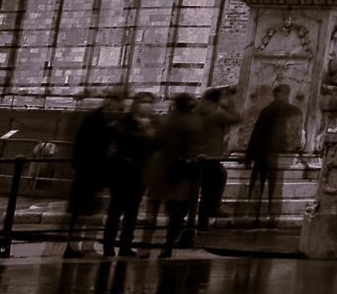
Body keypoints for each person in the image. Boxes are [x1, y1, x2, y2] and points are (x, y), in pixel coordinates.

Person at [63, 88, 126, 255]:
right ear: (106, 105)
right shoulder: (93, 120)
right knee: (81, 212)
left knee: (95, 211)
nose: (116, 111)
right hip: (88, 171)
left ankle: (88, 245)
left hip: (105, 172)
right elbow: (82, 145)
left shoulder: (115, 123)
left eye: (119, 109)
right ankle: (73, 246)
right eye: (113, 108)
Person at [147, 92, 204, 255]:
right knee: (178, 210)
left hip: (165, 167)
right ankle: (170, 240)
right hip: (184, 170)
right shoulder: (196, 121)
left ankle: (151, 238)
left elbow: (156, 142)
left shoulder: (168, 121)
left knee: (158, 205)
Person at [102, 91, 155, 256]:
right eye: (144, 102)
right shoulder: (125, 122)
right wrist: (145, 135)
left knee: (132, 211)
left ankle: (125, 245)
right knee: (115, 210)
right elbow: (121, 137)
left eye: (150, 103)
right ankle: (108, 245)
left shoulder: (152, 124)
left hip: (139, 172)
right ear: (137, 104)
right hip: (122, 171)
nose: (148, 106)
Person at [241, 84, 299, 225]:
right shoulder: (295, 110)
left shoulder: (268, 110)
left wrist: (249, 157)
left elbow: (257, 134)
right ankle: (273, 217)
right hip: (282, 153)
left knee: (258, 185)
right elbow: (296, 133)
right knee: (276, 187)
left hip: (263, 153)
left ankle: (253, 216)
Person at [193, 87, 240, 231]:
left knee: (216, 177)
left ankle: (190, 221)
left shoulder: (195, 110)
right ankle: (204, 220)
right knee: (208, 190)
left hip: (194, 155)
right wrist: (229, 104)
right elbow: (235, 118)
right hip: (210, 157)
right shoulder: (215, 114)